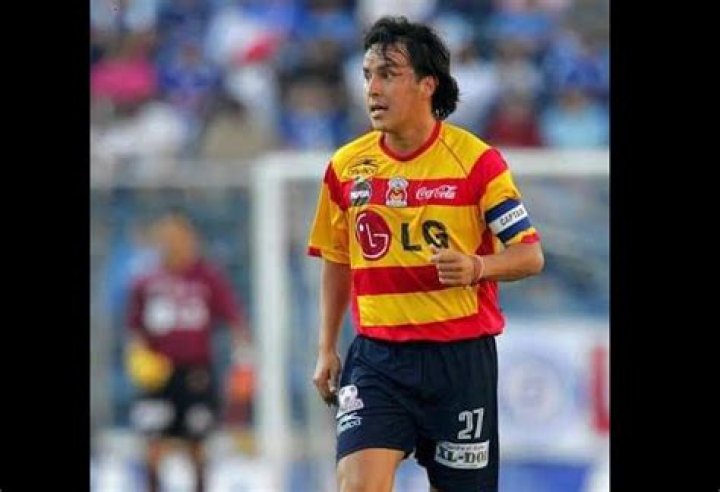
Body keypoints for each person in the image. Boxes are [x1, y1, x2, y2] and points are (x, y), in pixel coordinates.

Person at [307, 16, 544, 492]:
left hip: (459, 362)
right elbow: (338, 259)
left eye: (388, 74)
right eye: (367, 75)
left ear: (426, 84)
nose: (373, 89)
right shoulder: (346, 167)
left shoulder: (476, 161)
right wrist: (326, 346)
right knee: (358, 486)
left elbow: (530, 255)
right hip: (377, 358)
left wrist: (477, 266)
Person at [125, 210, 252, 492]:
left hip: (196, 375)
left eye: (178, 236)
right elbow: (135, 329)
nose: (173, 243)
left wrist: (242, 361)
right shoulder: (145, 282)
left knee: (197, 448)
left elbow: (234, 320)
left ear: (191, 239)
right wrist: (138, 359)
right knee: (152, 447)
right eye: (167, 237)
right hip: (157, 376)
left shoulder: (207, 278)